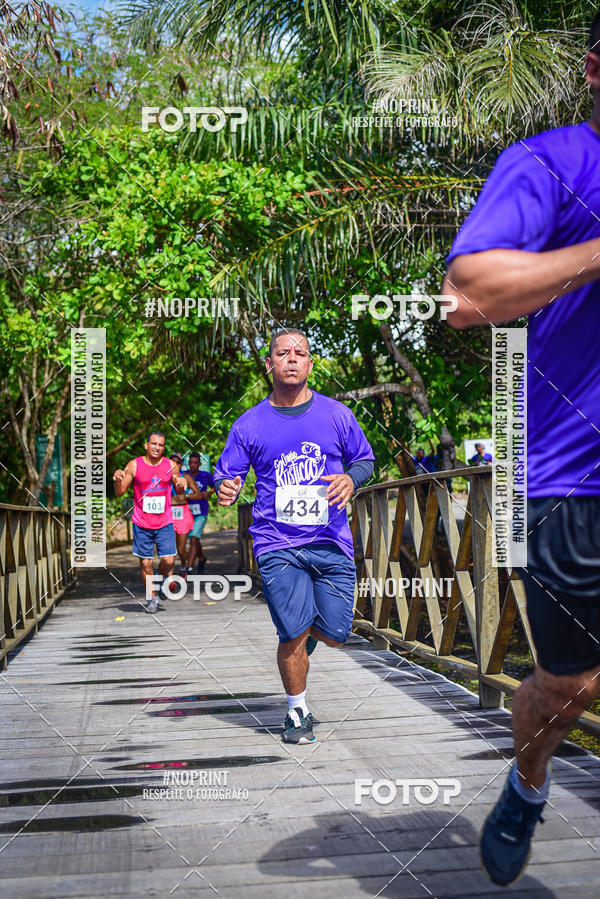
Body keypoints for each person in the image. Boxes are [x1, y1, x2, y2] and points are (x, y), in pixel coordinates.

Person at [443, 11, 600, 886]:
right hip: (575, 480)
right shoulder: (553, 164)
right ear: (593, 70)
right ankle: (529, 779)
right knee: (569, 687)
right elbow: (468, 293)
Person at [214, 328, 374, 744]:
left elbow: (364, 460)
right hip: (276, 543)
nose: (290, 359)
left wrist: (350, 480)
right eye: (282, 353)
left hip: (332, 539)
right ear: (269, 365)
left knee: (337, 633)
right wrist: (226, 488)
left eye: (299, 353)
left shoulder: (336, 414)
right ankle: (296, 711)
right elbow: (226, 475)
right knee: (291, 631)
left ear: (310, 364)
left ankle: (300, 643)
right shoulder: (249, 424)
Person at [112, 431, 187, 613]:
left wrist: (181, 482)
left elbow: (178, 484)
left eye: (161, 445)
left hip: (164, 522)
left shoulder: (170, 465)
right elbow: (119, 492)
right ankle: (152, 598)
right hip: (141, 523)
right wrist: (117, 480)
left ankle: (160, 582)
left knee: (168, 561)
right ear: (146, 445)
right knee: (146, 563)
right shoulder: (134, 466)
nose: (157, 448)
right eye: (154, 444)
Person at [168, 451, 203, 582]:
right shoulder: (163, 476)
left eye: (178, 462)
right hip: (168, 514)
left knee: (181, 549)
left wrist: (186, 496)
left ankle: (183, 566)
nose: (175, 464)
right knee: (169, 549)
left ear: (181, 463)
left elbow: (198, 494)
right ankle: (169, 575)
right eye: (172, 461)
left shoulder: (186, 477)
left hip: (182, 514)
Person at [183, 451, 215, 574]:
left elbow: (214, 486)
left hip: (201, 512)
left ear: (199, 464)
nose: (193, 465)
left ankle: (188, 568)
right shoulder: (184, 476)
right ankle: (201, 558)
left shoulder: (205, 475)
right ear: (188, 463)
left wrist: (209, 493)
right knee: (194, 539)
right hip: (186, 511)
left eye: (196, 463)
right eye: (191, 462)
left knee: (194, 540)